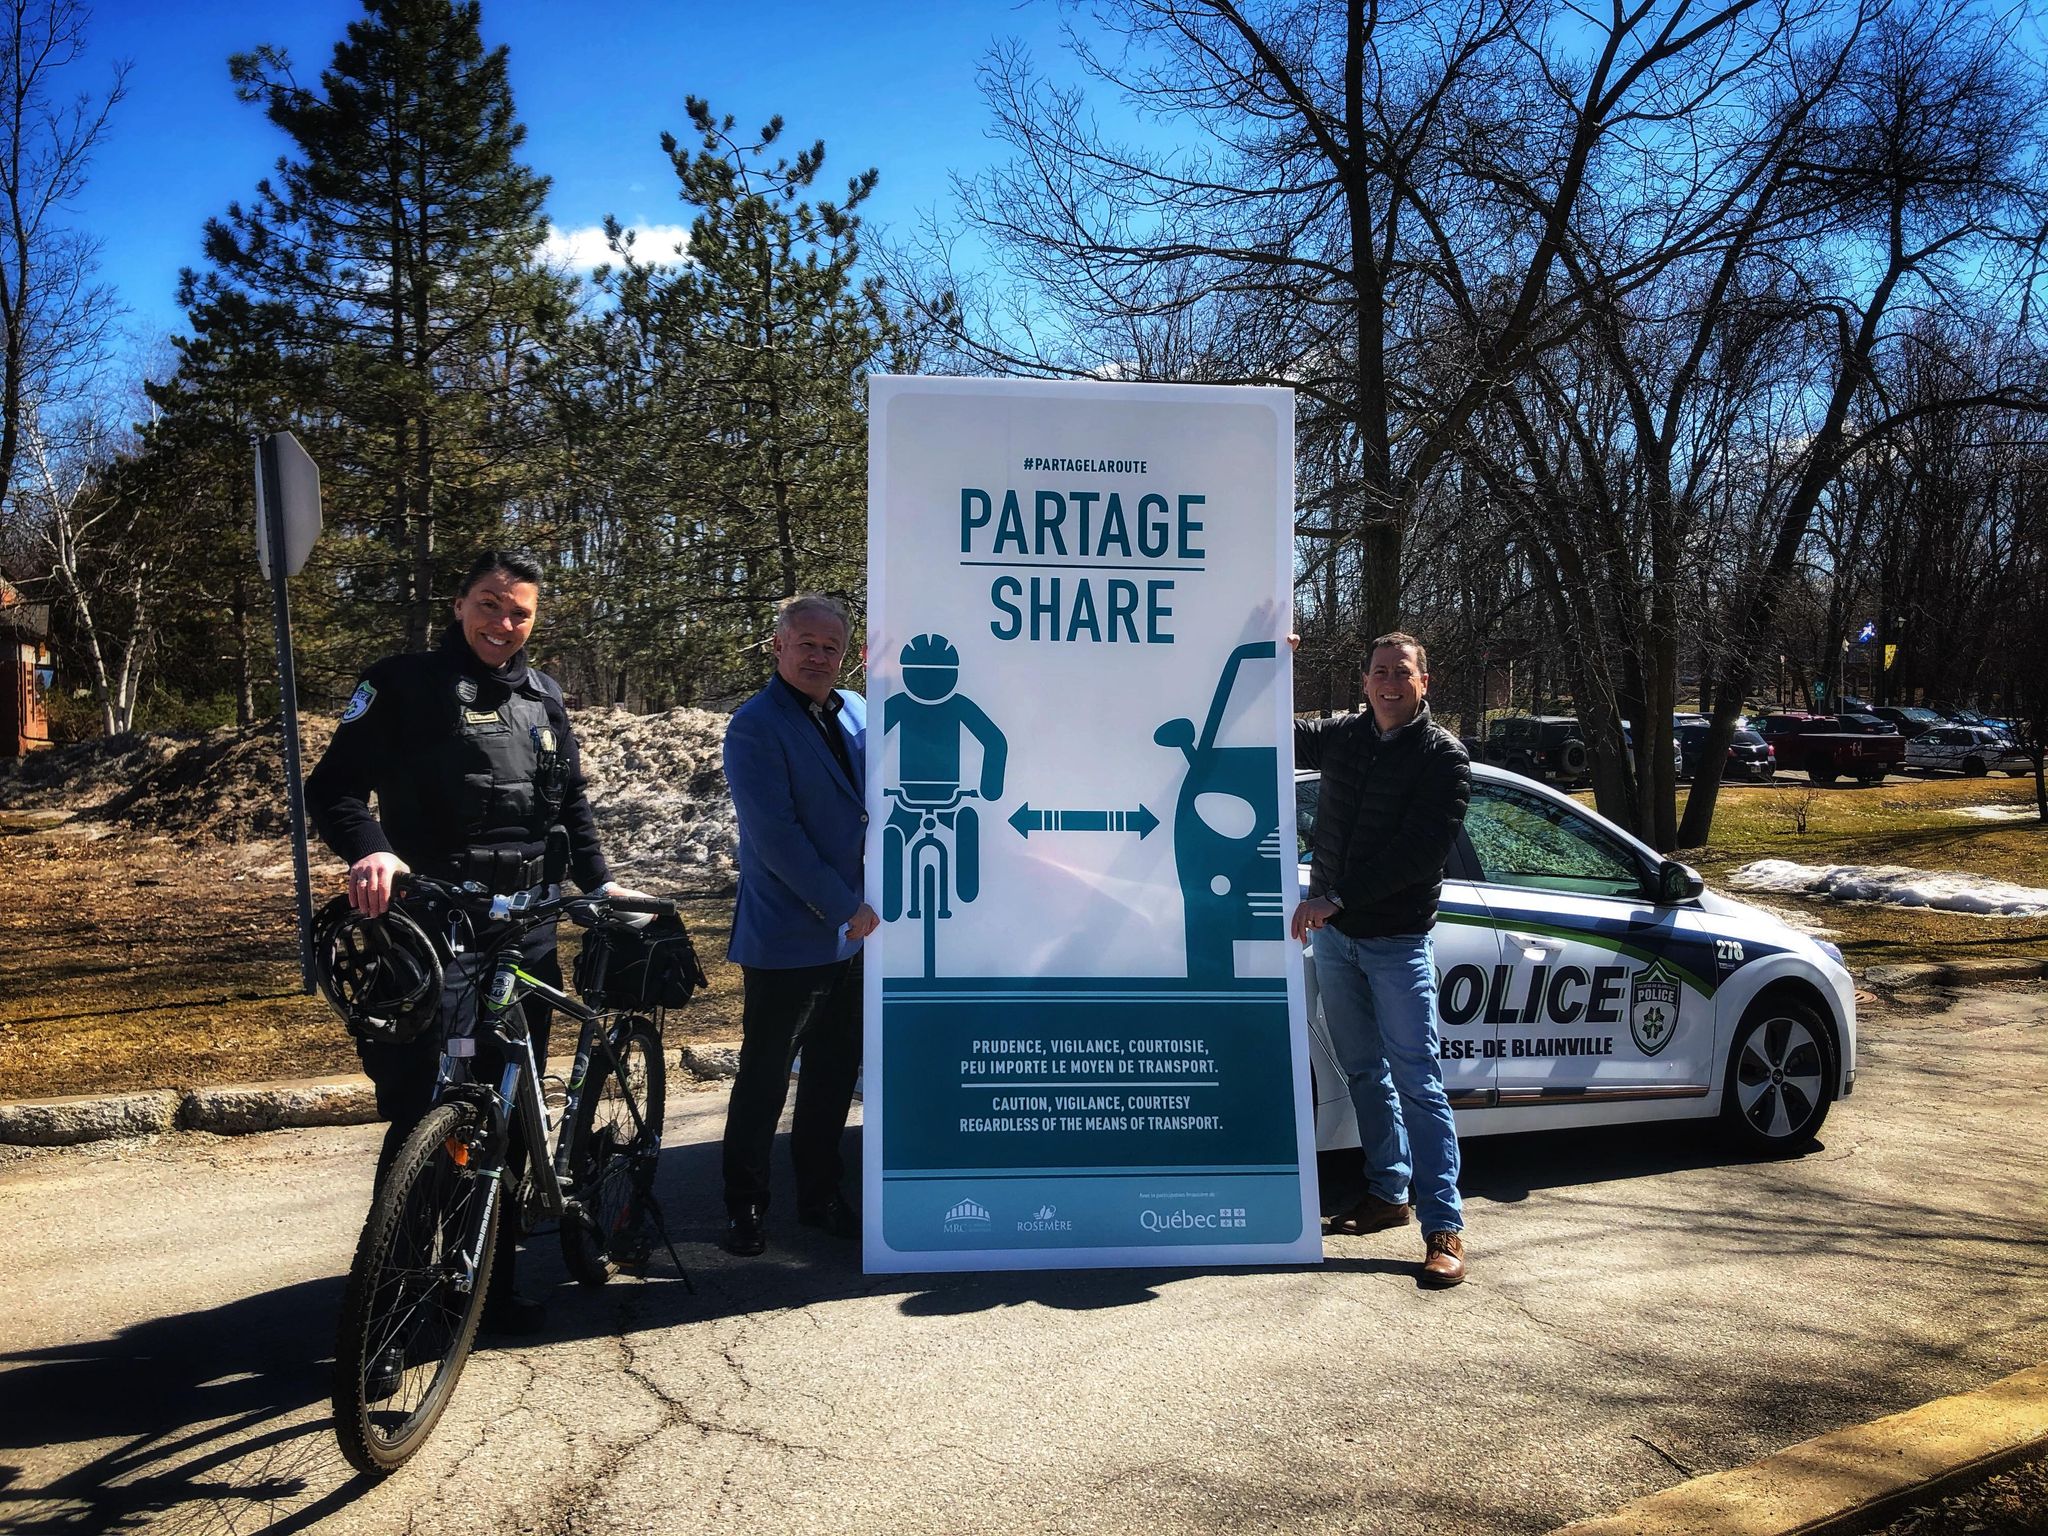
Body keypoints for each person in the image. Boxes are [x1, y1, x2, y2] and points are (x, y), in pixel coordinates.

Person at [307, 548, 638, 1331]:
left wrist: (598, 884)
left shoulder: (544, 696)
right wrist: (372, 850)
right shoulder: (400, 684)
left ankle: (483, 1284)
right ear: (459, 605)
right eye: (489, 603)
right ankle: (390, 1301)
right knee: (423, 1113)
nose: (503, 623)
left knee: (508, 1104)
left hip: (525, 933)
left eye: (520, 611)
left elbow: (571, 804)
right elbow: (334, 788)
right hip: (433, 930)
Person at [1291, 631, 1474, 1287]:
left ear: (1424, 682)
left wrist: (1335, 898)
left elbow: (1418, 855)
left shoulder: (1444, 758)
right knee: (1365, 1071)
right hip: (1336, 941)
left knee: (1418, 1081)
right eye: (1378, 672)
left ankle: (1444, 1227)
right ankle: (1387, 1193)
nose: (1388, 683)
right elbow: (1275, 733)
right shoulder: (1345, 735)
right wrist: (1275, 661)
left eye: (1401, 672)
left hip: (1395, 941)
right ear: (1365, 681)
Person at [719, 593, 878, 1257]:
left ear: (847, 655)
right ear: (778, 646)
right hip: (791, 931)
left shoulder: (861, 711)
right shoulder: (754, 726)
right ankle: (744, 1207)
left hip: (856, 935)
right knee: (765, 1075)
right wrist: (844, 907)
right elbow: (776, 838)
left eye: (830, 647)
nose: (818, 656)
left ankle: (820, 1196)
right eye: (806, 644)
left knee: (834, 1074)